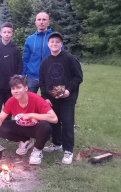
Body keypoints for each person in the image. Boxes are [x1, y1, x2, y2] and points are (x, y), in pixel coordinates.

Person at [0, 75, 58, 165]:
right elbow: (0, 118)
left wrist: (31, 115)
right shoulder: (11, 101)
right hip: (21, 127)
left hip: (35, 128)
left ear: (26, 88)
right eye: (13, 88)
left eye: (18, 88)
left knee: (46, 126)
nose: (15, 91)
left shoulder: (36, 99)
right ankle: (26, 141)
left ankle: (37, 150)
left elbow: (54, 118)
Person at [39, 32, 83, 164]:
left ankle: (68, 150)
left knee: (67, 122)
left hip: (67, 97)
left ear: (61, 44)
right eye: (52, 42)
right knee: (54, 121)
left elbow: (78, 77)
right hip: (52, 98)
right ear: (48, 44)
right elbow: (42, 81)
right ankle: (57, 144)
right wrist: (44, 97)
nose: (54, 44)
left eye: (57, 42)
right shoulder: (45, 62)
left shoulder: (69, 58)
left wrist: (69, 90)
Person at [0, 22, 22, 121]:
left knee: (9, 108)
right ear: (1, 33)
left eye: (9, 32)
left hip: (11, 86)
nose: (7, 34)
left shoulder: (15, 50)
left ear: (12, 34)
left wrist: (17, 83)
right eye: (5, 32)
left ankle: (7, 130)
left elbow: (19, 67)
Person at [22, 12, 52, 93]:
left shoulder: (53, 38)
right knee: (29, 102)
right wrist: (22, 75)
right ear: (35, 22)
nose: (41, 22)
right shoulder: (30, 39)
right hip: (32, 77)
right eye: (39, 19)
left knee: (49, 102)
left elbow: (60, 57)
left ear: (48, 22)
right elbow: (25, 59)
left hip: (49, 77)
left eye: (44, 19)